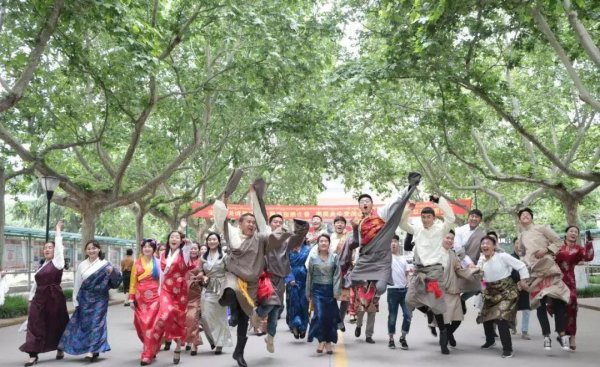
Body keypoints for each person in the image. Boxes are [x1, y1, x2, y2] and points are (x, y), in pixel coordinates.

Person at [214, 180, 307, 367]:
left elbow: (271, 228)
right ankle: (232, 311)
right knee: (232, 290)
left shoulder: (261, 238)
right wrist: (224, 200)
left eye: (252, 222)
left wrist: (255, 196)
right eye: (247, 221)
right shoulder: (230, 233)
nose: (251, 224)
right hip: (234, 278)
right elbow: (220, 217)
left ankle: (239, 353)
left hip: (253, 284)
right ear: (239, 223)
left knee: (243, 320)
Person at [346, 173, 421, 344]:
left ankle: (369, 330)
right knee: (351, 282)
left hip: (382, 258)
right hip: (366, 257)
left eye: (367, 201)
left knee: (380, 289)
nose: (364, 203)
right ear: (359, 206)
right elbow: (357, 242)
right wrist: (353, 234)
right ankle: (357, 318)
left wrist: (409, 187)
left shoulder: (380, 214)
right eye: (361, 202)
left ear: (371, 204)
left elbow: (396, 202)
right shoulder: (357, 221)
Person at [250, 185, 309, 354]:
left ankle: (270, 337)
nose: (278, 224)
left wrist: (301, 225)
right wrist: (257, 196)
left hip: (281, 279)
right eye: (275, 222)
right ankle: (257, 314)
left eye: (280, 222)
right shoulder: (265, 236)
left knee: (276, 310)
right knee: (271, 303)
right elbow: (260, 215)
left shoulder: (286, 241)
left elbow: (299, 237)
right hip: (266, 278)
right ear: (270, 224)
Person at [403, 193, 455, 354]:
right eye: (423, 216)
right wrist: (408, 209)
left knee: (437, 303)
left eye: (428, 217)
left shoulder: (440, 229)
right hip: (418, 271)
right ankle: (429, 314)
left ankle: (443, 335)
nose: (425, 219)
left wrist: (438, 201)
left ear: (433, 218)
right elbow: (401, 223)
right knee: (409, 300)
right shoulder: (416, 229)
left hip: (434, 272)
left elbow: (451, 218)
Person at [516, 208, 571, 351]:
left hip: (549, 269)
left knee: (558, 301)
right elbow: (521, 252)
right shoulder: (521, 235)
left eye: (528, 214)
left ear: (532, 218)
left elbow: (558, 241)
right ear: (519, 220)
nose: (525, 216)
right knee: (540, 304)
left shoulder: (542, 228)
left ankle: (561, 333)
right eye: (522, 215)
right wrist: (522, 257)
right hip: (534, 273)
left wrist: (546, 250)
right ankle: (546, 336)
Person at [59, 240, 122, 361]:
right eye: (89, 249)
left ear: (99, 249)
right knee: (85, 324)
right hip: (84, 298)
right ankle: (92, 348)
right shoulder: (82, 264)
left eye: (94, 248)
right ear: (85, 251)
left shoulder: (106, 264)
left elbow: (116, 282)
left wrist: (112, 272)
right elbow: (77, 283)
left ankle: (92, 350)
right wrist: (75, 300)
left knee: (96, 323)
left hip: (100, 299)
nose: (91, 250)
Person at [19, 221, 69, 366]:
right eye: (45, 248)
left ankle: (60, 347)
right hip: (39, 299)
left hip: (54, 298)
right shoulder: (41, 267)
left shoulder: (58, 262)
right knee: (34, 324)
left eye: (50, 247)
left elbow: (59, 247)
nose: (47, 249)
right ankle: (33, 354)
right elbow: (36, 284)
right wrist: (30, 300)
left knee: (57, 324)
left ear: (55, 251)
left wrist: (58, 230)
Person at [148, 230, 197, 365]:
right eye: (171, 237)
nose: (174, 239)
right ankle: (158, 344)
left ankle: (177, 346)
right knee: (167, 313)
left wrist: (189, 244)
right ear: (168, 240)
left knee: (179, 318)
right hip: (166, 289)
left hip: (180, 290)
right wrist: (158, 290)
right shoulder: (164, 254)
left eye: (177, 237)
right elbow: (162, 274)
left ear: (181, 241)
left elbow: (188, 249)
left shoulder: (184, 253)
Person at [478, 236, 529, 358]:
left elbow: (521, 266)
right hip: (490, 293)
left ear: (494, 246)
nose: (485, 245)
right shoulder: (481, 260)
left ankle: (508, 349)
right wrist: (483, 288)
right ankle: (490, 340)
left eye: (488, 243)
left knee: (501, 319)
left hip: (507, 292)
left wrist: (523, 280)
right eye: (483, 243)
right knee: (486, 316)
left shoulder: (502, 256)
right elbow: (481, 277)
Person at [553, 226, 594, 350]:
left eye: (576, 232)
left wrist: (589, 242)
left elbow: (588, 257)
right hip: (555, 280)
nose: (573, 233)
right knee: (559, 307)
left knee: (572, 306)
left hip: (570, 281)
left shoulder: (578, 249)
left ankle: (572, 336)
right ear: (565, 233)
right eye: (571, 231)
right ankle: (562, 333)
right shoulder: (557, 246)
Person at [440, 230, 479, 348]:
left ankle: (449, 334)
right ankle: (444, 345)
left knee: (457, 319)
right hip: (440, 292)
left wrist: (472, 272)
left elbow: (458, 270)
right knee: (445, 320)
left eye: (452, 239)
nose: (450, 240)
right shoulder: (434, 253)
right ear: (442, 238)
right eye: (447, 237)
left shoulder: (453, 254)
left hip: (453, 290)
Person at [306, 234, 341, 354]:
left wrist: (336, 291)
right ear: (318, 244)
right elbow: (309, 276)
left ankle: (328, 342)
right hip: (317, 290)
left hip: (330, 291)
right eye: (321, 241)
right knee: (319, 316)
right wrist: (308, 292)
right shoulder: (313, 258)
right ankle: (321, 340)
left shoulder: (334, 257)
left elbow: (337, 276)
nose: (323, 243)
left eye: (326, 241)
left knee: (329, 318)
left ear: (329, 243)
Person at [128, 239, 161, 366]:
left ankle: (146, 354)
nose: (147, 249)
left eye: (150, 246)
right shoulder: (136, 264)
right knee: (140, 325)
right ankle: (151, 347)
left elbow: (162, 280)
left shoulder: (158, 263)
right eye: (145, 246)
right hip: (140, 298)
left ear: (154, 249)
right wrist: (131, 298)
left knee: (150, 326)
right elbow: (132, 282)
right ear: (142, 248)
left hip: (155, 298)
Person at [200, 232, 233, 355]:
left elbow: (230, 271)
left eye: (214, 239)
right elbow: (200, 271)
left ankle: (220, 343)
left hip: (221, 289)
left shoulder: (224, 256)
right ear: (207, 242)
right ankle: (213, 339)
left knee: (220, 317)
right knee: (205, 317)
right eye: (209, 240)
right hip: (207, 288)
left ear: (218, 241)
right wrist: (202, 276)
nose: (212, 241)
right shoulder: (203, 257)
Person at [387, 235, 412, 350]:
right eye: (391, 242)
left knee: (408, 315)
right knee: (393, 316)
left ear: (398, 243)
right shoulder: (386, 258)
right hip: (392, 290)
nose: (393, 243)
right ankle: (391, 339)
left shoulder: (403, 259)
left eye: (395, 241)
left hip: (404, 291)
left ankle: (403, 337)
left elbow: (407, 275)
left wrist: (409, 286)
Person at [285, 236, 311, 339]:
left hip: (305, 279)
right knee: (293, 303)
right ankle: (294, 326)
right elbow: (285, 265)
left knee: (304, 304)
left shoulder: (309, 249)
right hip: (292, 279)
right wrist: (290, 278)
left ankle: (304, 326)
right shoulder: (288, 249)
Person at [184, 242, 203, 355]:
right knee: (185, 319)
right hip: (183, 293)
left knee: (193, 319)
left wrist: (200, 276)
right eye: (191, 249)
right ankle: (189, 340)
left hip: (195, 293)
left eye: (195, 248)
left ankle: (195, 344)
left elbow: (203, 273)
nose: (193, 250)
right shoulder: (183, 260)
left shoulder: (201, 261)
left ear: (199, 250)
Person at [511, 238, 531, 340]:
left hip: (525, 286)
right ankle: (512, 327)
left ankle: (524, 331)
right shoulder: (510, 257)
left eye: (521, 243)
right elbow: (509, 273)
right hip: (513, 286)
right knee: (512, 308)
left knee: (526, 309)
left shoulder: (528, 257)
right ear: (513, 244)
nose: (519, 245)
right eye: (517, 243)